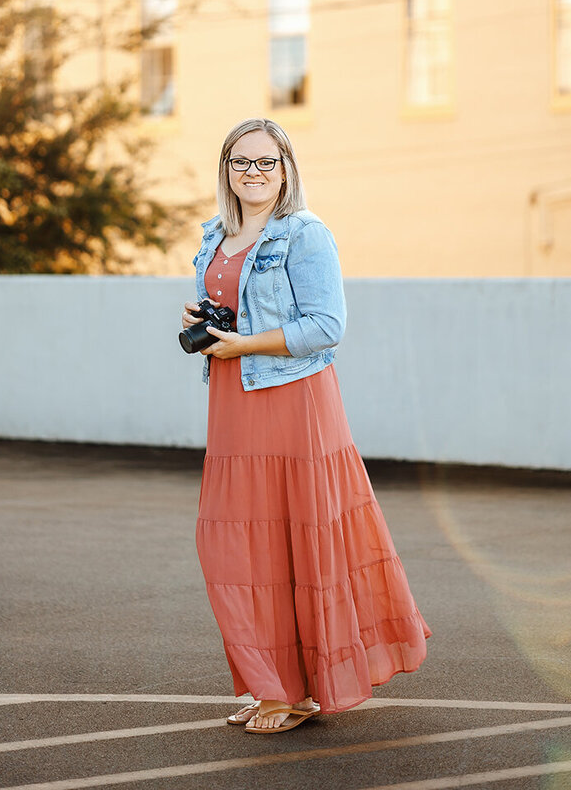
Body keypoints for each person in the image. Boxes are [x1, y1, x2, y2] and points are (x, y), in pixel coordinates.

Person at [182, 117, 430, 735]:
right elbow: (239, 312)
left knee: (293, 540)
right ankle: (274, 683)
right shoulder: (216, 235)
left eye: (267, 162)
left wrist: (243, 344)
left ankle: (289, 694)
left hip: (293, 402)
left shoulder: (306, 234)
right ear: (227, 171)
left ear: (287, 169)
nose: (254, 173)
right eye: (242, 162)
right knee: (236, 546)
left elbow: (326, 326)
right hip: (235, 400)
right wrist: (211, 323)